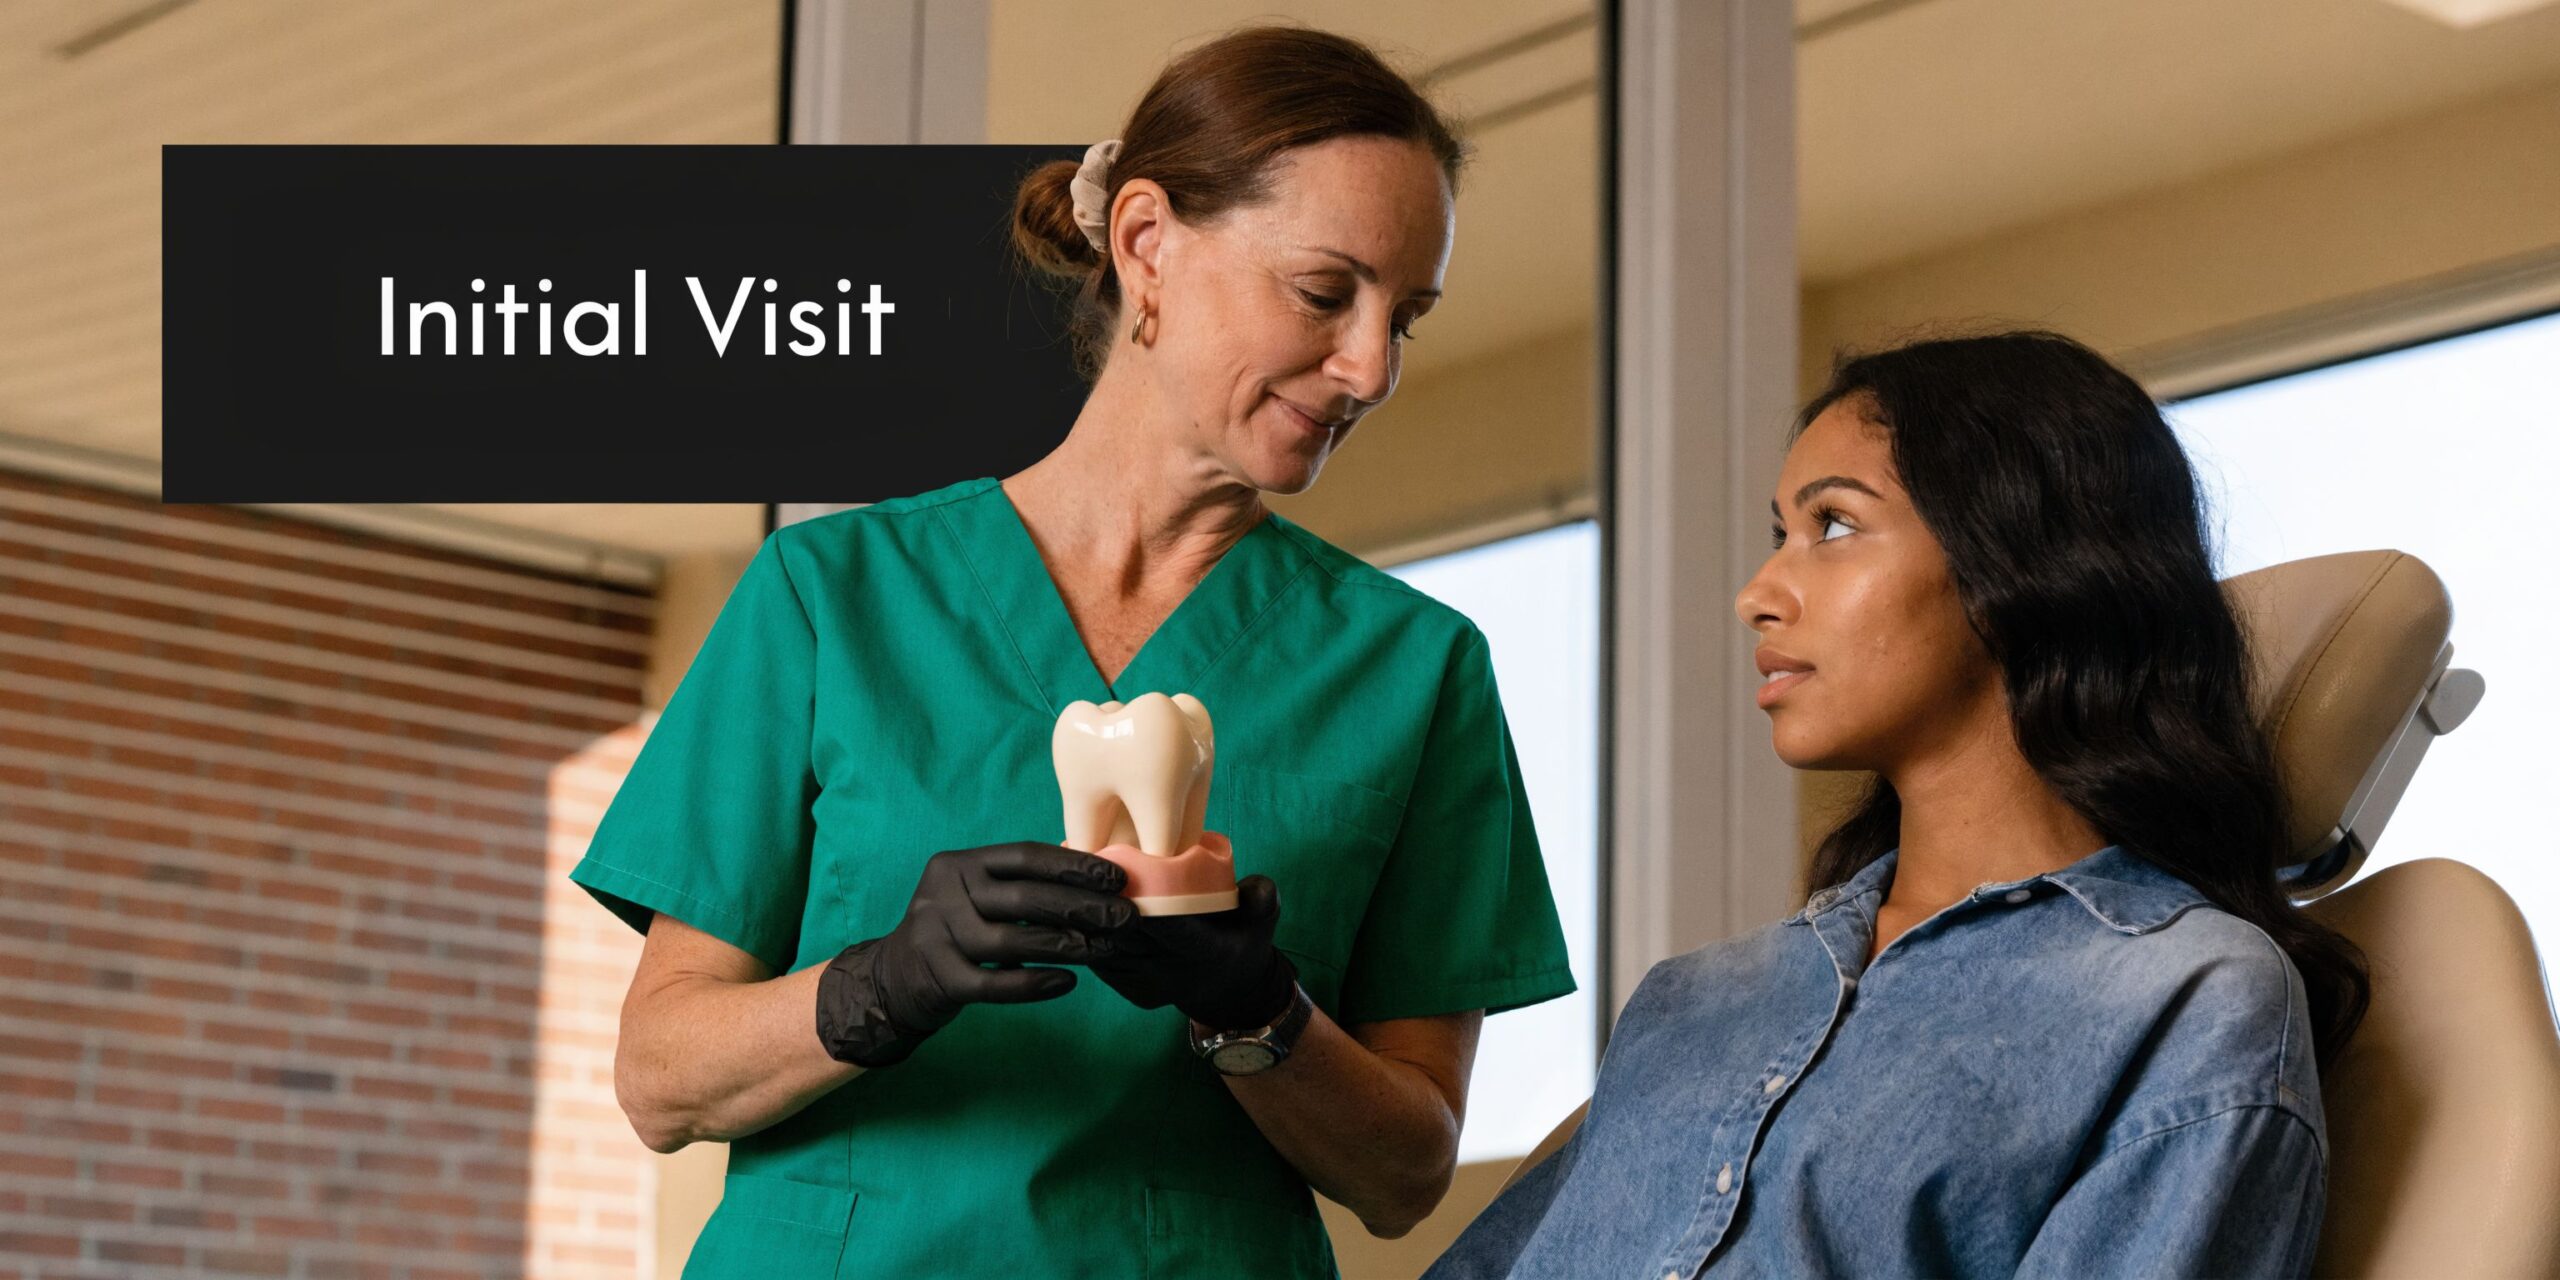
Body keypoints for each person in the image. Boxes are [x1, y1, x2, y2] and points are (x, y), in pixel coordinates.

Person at [569, 24, 1576, 1279]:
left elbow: (1406, 1167)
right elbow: (659, 1076)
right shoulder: (833, 595)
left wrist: (1255, 1010)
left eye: (1404, 317)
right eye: (1326, 293)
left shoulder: (1413, 668)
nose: (1370, 366)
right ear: (1148, 242)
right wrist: (879, 982)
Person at [1424, 330, 2372, 1279]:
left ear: (2017, 564)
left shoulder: (2192, 998)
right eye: (1777, 535)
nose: (1758, 593)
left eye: (1833, 526)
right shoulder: (1696, 1000)